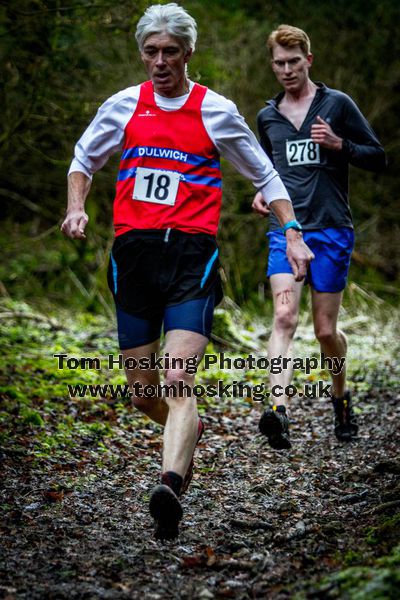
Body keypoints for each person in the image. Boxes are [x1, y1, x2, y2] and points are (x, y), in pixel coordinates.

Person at [61, 5, 313, 539]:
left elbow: (265, 174)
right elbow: (84, 159)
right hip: (132, 258)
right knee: (141, 390)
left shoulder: (216, 110)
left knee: (177, 377)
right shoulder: (124, 104)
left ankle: (169, 486)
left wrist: (292, 232)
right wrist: (76, 206)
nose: (159, 62)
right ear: (141, 55)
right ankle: (188, 427)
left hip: (190, 259)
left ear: (188, 53)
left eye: (169, 51)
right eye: (150, 52)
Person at [253, 24, 386, 449]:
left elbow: (378, 157)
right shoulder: (267, 116)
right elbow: (267, 169)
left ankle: (341, 397)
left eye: (295, 62)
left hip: (331, 230)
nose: (288, 70)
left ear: (308, 60)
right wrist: (262, 192)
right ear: (271, 65)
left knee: (326, 331)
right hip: (285, 230)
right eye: (280, 63)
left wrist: (338, 144)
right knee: (284, 318)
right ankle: (278, 411)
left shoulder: (337, 104)